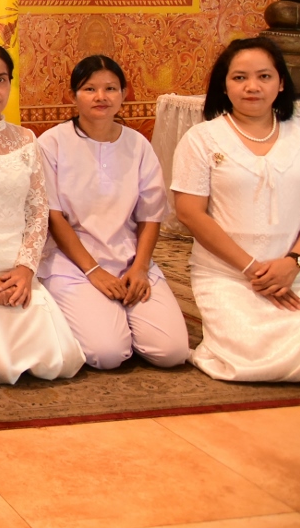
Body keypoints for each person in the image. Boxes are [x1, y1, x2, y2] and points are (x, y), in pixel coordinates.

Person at [171, 37, 300, 383]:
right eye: (239, 78)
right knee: (245, 365)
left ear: (281, 82)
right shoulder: (202, 139)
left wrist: (294, 263)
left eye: (264, 76)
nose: (252, 87)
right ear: (224, 86)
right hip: (228, 274)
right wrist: (251, 269)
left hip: (293, 275)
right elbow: (190, 213)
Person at [37, 56, 190, 371]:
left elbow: (150, 215)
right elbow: (53, 217)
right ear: (72, 95)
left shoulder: (137, 145)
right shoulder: (51, 143)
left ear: (124, 93)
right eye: (89, 89)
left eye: (110, 88)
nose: (101, 97)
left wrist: (140, 268)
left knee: (171, 352)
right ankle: (104, 320)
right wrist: (94, 272)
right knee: (106, 354)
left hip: (128, 257)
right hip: (73, 262)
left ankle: (123, 317)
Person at [0, 44, 84, 385]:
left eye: (1, 79)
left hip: (18, 264)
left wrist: (25, 268)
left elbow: (37, 209)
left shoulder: (25, 139)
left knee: (58, 358)